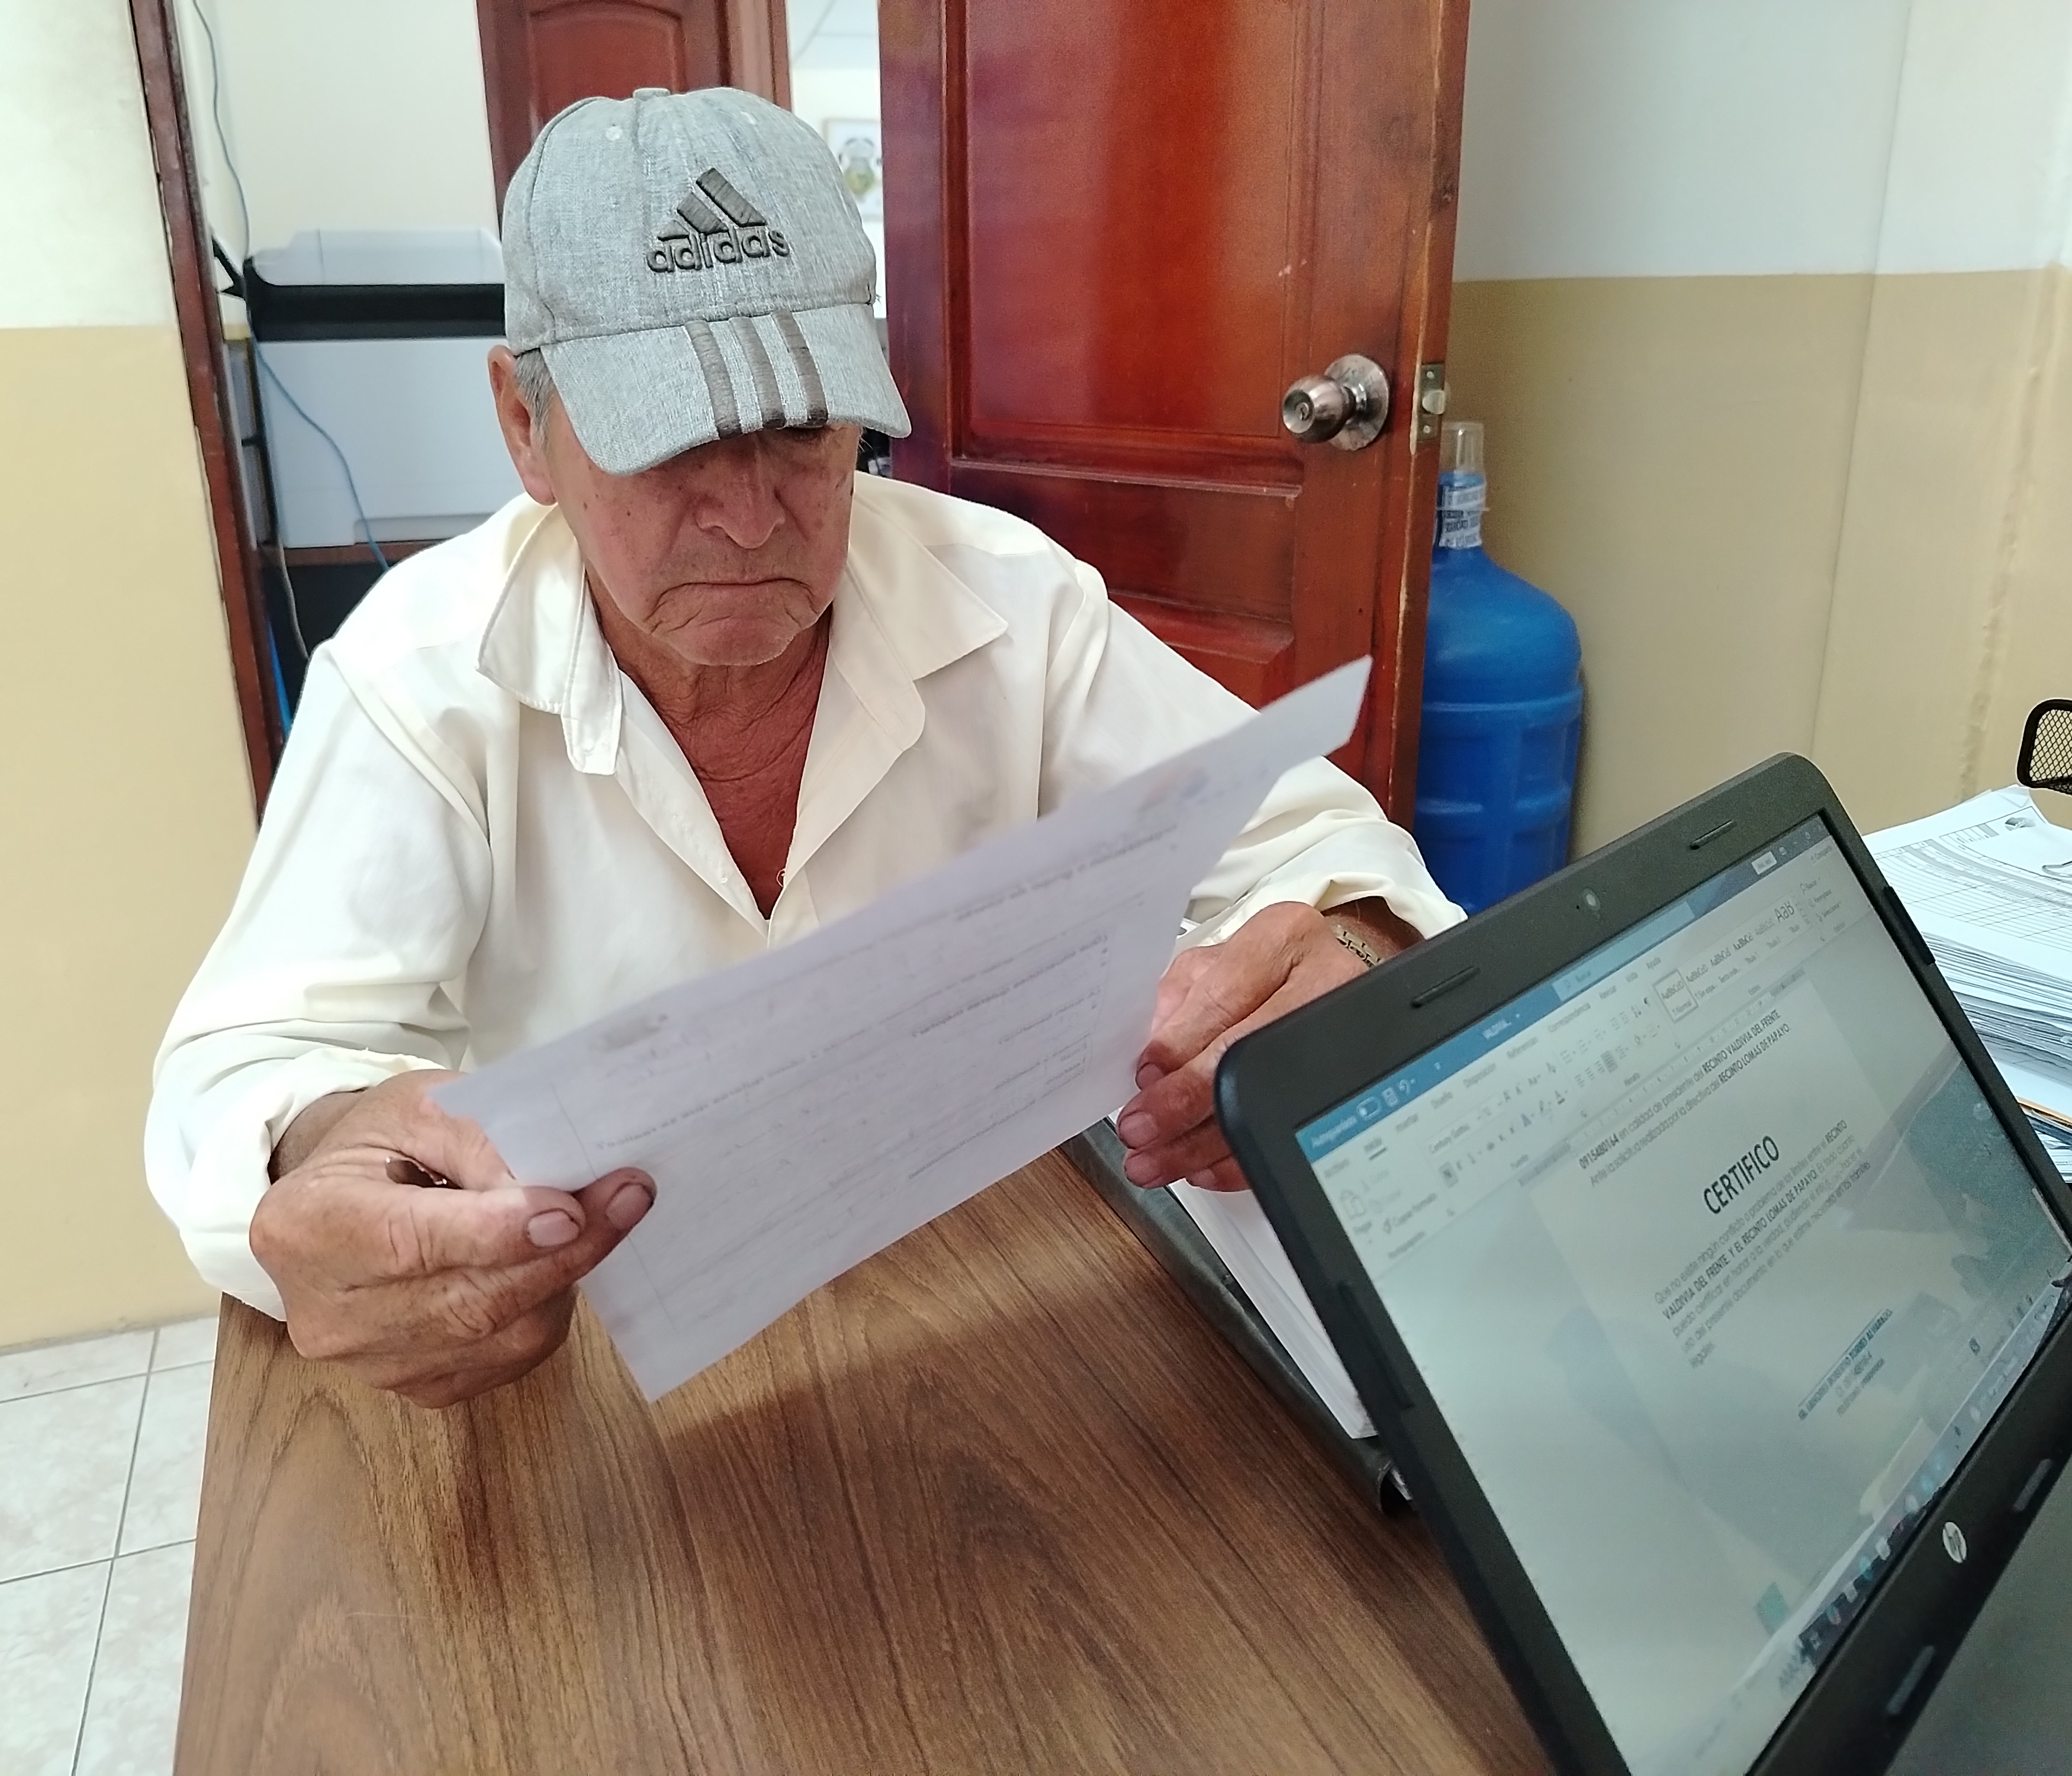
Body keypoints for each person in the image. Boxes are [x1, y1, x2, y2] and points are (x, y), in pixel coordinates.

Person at [146, 86, 1459, 1408]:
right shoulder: (420, 676)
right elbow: (250, 1066)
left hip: (986, 1289)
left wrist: (1346, 947)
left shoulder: (1011, 600)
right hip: (592, 1352)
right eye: (667, 438)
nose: (747, 515)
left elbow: (1311, 839)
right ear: (525, 428)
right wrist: (322, 1155)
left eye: (797, 428)